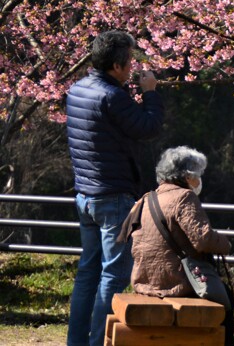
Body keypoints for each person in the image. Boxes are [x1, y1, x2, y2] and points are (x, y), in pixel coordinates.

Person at [66, 30, 164, 346]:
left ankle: (76, 341)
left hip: (85, 194)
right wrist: (150, 92)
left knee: (87, 274)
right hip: (113, 197)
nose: (133, 66)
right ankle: (97, 343)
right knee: (113, 275)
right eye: (130, 61)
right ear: (118, 65)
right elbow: (148, 128)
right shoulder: (113, 96)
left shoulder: (77, 90)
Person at [125, 146, 234, 346]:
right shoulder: (184, 197)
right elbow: (203, 240)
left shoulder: (144, 200)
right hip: (175, 283)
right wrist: (225, 244)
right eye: (198, 174)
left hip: (144, 281)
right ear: (187, 176)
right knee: (226, 297)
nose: (200, 179)